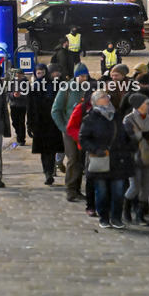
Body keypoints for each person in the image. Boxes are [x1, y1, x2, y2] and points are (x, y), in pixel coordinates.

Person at [78, 89, 132, 229]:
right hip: (101, 159)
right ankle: (104, 217)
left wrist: (127, 148)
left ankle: (116, 217)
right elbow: (83, 139)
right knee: (102, 192)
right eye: (102, 97)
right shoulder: (90, 118)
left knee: (118, 191)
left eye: (106, 96)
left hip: (117, 159)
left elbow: (123, 136)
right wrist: (96, 150)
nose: (106, 98)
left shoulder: (116, 115)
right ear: (95, 102)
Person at [53, 63, 92, 205]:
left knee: (81, 160)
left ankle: (77, 188)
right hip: (70, 130)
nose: (84, 79)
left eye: (86, 76)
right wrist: (64, 128)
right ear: (76, 76)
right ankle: (70, 189)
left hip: (85, 130)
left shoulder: (88, 89)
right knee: (73, 159)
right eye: (82, 76)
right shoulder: (66, 89)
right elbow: (56, 110)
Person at [123, 94, 149, 226]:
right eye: (147, 104)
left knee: (146, 188)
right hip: (134, 158)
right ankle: (126, 209)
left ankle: (140, 215)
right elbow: (127, 138)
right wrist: (141, 135)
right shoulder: (128, 119)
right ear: (139, 105)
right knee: (135, 186)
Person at [26, 64, 63, 185]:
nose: (40, 75)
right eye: (38, 73)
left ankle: (49, 172)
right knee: (44, 150)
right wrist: (30, 124)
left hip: (51, 122)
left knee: (50, 150)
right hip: (40, 123)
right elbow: (30, 107)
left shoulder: (53, 85)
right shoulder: (34, 88)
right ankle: (48, 172)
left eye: (42, 72)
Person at [8, 67, 29, 147]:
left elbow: (28, 94)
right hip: (14, 105)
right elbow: (8, 93)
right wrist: (13, 95)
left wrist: (21, 95)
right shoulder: (12, 82)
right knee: (14, 122)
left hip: (22, 105)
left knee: (21, 122)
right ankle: (18, 134)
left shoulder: (26, 83)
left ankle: (21, 139)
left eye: (19, 76)